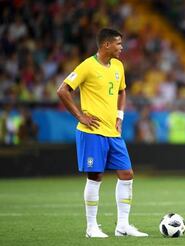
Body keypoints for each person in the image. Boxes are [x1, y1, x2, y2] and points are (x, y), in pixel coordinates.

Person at [57, 28, 148, 238]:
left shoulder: (118, 66)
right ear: (106, 45)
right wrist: (80, 117)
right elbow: (63, 90)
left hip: (112, 131)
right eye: (118, 44)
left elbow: (122, 91)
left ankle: (122, 226)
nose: (122, 48)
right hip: (91, 132)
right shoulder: (87, 66)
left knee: (127, 174)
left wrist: (120, 116)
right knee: (95, 176)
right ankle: (91, 228)